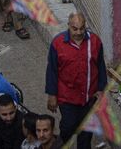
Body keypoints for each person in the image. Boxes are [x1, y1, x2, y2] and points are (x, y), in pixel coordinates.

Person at [45, 13, 107, 149]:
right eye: (75, 29)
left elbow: (101, 66)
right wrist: (52, 94)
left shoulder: (95, 42)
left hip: (89, 97)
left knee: (86, 132)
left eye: (82, 28)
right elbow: (52, 70)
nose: (79, 32)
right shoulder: (57, 43)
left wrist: (101, 89)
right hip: (67, 97)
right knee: (68, 126)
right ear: (68, 26)